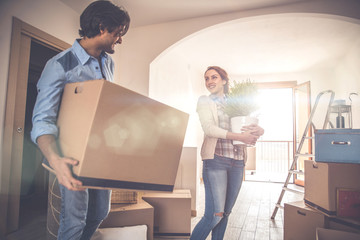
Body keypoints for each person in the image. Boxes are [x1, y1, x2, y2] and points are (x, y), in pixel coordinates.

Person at [30, 1, 130, 239]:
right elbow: (42, 120)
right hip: (71, 154)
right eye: (118, 33)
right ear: (102, 26)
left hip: (100, 152)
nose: (120, 39)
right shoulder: (59, 65)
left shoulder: (109, 62)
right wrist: (56, 160)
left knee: (100, 212)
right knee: (74, 222)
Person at [191, 66, 264, 240]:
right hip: (216, 160)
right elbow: (209, 129)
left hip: (238, 162)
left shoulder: (237, 102)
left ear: (224, 80)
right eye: (207, 78)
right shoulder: (204, 101)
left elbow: (249, 128)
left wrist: (260, 130)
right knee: (214, 215)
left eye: (214, 77)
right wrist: (239, 136)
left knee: (225, 214)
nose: (210, 81)